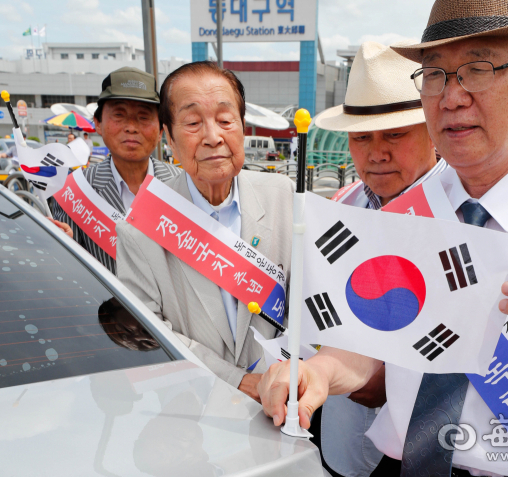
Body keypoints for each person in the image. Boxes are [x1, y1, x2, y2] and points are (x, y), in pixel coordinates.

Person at [258, 1, 508, 477]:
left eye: (478, 69)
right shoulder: (402, 214)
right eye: (435, 75)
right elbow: (364, 343)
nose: (451, 97)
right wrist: (318, 373)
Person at [115, 61, 295, 400]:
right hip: (194, 413)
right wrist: (236, 381)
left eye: (226, 121)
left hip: (283, 404)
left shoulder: (282, 194)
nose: (213, 137)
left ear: (243, 126)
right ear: (168, 137)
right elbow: (145, 332)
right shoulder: (139, 230)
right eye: (193, 123)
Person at [310, 41, 448, 477]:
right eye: (361, 137)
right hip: (342, 430)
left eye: (395, 134)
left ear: (432, 129)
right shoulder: (339, 207)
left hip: (430, 445)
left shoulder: (466, 213)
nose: (376, 152)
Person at [51, 67, 180, 274]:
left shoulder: (184, 185)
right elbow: (67, 274)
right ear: (98, 124)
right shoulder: (74, 191)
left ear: (161, 130)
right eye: (119, 115)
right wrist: (63, 247)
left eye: (143, 117)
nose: (131, 127)